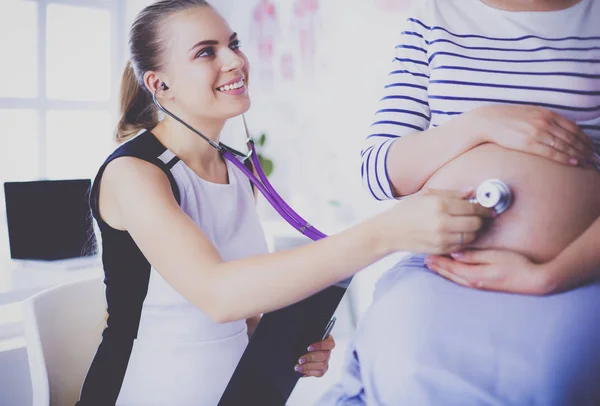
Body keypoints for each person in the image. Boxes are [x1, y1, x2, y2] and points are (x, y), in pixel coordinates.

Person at [75, 1, 495, 405]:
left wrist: (286, 342)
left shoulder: (238, 171)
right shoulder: (134, 174)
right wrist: (387, 231)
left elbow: (244, 314)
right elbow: (219, 295)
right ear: (159, 84)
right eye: (206, 52)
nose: (235, 61)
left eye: (233, 44)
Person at [319, 0, 600, 404]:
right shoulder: (434, 16)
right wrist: (481, 123)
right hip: (442, 269)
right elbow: (378, 171)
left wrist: (552, 275)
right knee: (409, 372)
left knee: (556, 381)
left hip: (577, 271)